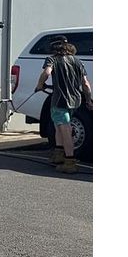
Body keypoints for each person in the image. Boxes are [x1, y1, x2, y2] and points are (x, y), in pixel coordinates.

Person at [34, 37, 92, 173]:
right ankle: (58, 154)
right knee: (58, 126)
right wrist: (88, 100)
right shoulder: (78, 62)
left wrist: (39, 85)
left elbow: (47, 72)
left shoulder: (52, 59)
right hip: (75, 100)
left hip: (60, 100)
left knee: (65, 130)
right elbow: (85, 84)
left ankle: (70, 162)